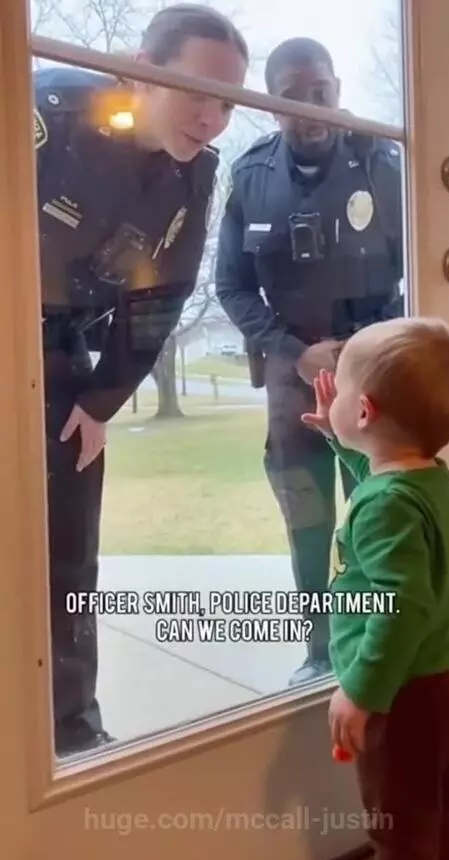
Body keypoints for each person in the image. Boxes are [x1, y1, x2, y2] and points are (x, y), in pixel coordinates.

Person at [35, 3, 248, 758]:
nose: (214, 118)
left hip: (61, 356)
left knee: (68, 555)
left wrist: (99, 402)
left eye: (229, 102)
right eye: (197, 91)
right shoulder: (46, 107)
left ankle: (71, 731)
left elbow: (160, 301)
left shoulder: (195, 179)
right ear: (139, 72)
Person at [215, 37, 403, 686]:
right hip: (292, 381)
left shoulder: (379, 160)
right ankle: (319, 653)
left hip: (373, 373)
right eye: (290, 97)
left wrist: (363, 349)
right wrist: (295, 354)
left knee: (379, 507)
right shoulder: (248, 176)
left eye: (318, 91)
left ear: (337, 89)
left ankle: (383, 646)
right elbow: (232, 286)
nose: (308, 108)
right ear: (271, 104)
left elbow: (420, 264)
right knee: (307, 516)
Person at [302, 317, 449, 860]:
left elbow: (401, 606)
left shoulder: (383, 506)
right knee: (442, 810)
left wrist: (360, 691)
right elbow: (378, 468)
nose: (332, 388)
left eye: (343, 383)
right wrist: (339, 439)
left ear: (364, 412)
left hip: (408, 696)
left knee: (401, 833)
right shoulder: (429, 477)